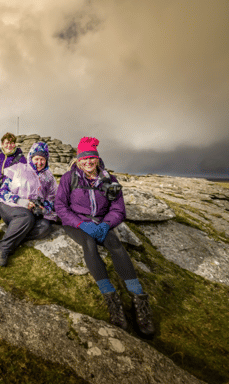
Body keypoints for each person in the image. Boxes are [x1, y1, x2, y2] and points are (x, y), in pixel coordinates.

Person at [54, 137, 155, 337]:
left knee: (115, 244)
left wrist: (107, 224)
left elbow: (118, 209)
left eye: (92, 158)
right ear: (78, 160)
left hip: (102, 222)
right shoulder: (69, 178)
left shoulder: (110, 181)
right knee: (89, 244)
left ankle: (138, 299)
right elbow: (60, 207)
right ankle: (111, 299)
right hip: (76, 223)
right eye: (84, 158)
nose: (88, 162)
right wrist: (81, 224)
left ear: (97, 159)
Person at [0, 141, 58, 267]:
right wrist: (21, 201)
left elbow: (53, 200)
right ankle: (4, 248)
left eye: (43, 159)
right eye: (37, 159)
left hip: (32, 211)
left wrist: (44, 207)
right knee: (26, 217)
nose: (39, 163)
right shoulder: (18, 169)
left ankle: (15, 236)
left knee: (45, 227)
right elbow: (2, 192)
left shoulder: (49, 177)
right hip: (10, 206)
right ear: (31, 157)